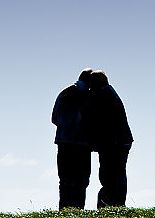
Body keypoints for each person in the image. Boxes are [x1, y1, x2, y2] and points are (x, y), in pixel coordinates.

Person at [89, 70, 133, 208]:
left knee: (109, 174)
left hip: (113, 142)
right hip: (121, 141)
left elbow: (101, 121)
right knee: (117, 173)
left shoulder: (103, 95)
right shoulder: (109, 93)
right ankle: (117, 204)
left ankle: (109, 204)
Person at [51, 68, 93, 209]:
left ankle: (64, 210)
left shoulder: (64, 93)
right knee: (82, 180)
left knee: (65, 180)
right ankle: (78, 209)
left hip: (64, 142)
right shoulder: (87, 96)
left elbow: (54, 118)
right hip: (81, 144)